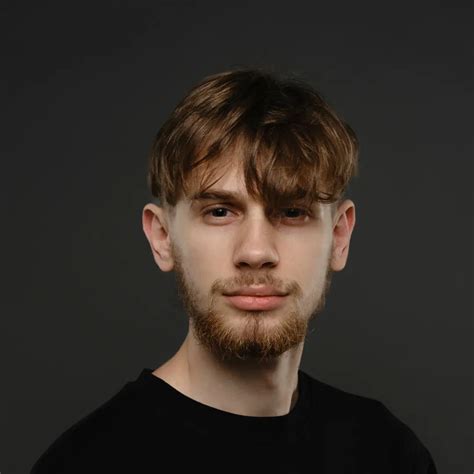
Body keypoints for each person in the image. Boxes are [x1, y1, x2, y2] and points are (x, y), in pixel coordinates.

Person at [31, 68, 438, 473]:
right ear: (162, 237)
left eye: (292, 212)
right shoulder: (85, 463)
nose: (256, 251)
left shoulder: (387, 452)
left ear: (340, 236)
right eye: (219, 212)